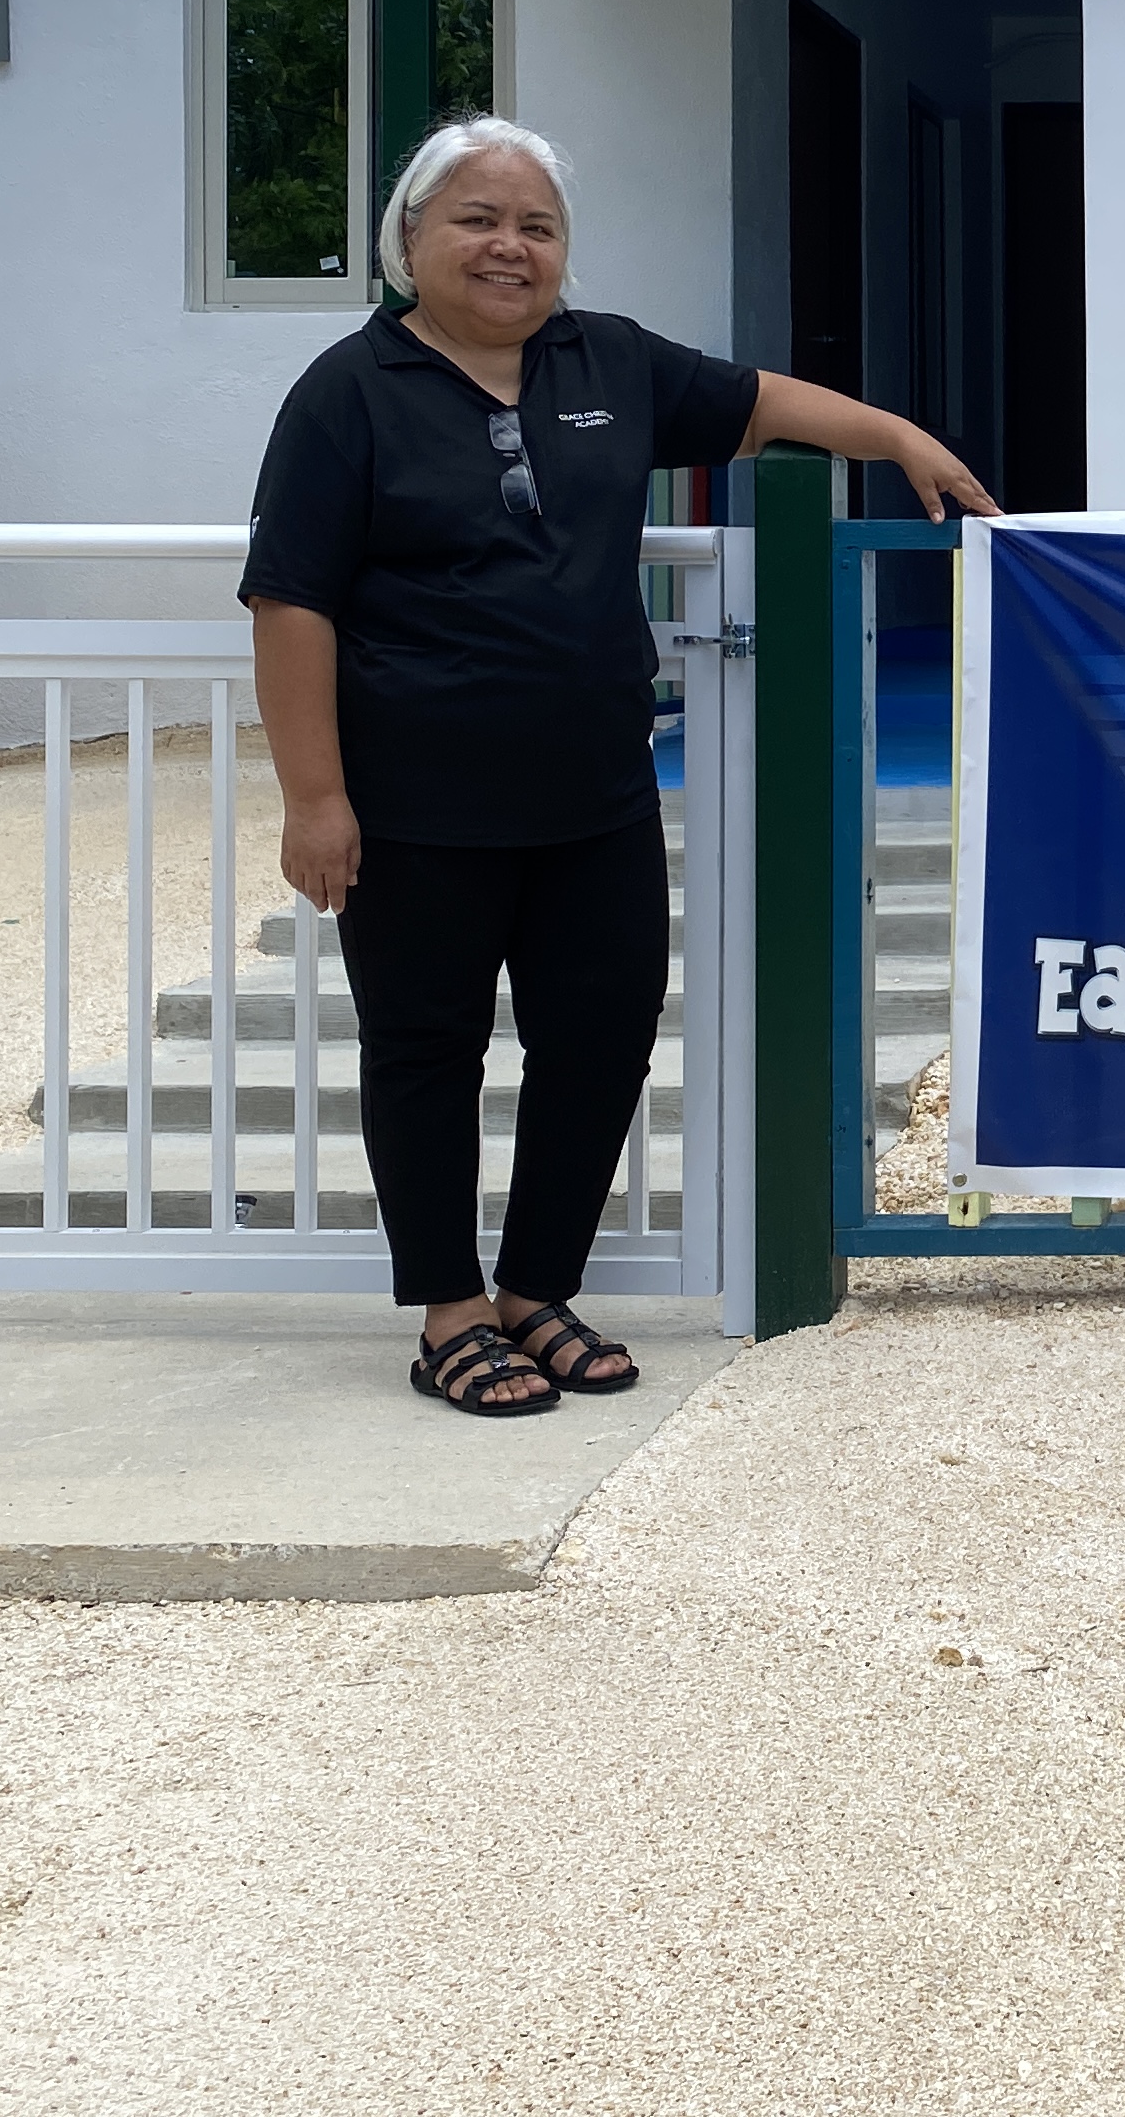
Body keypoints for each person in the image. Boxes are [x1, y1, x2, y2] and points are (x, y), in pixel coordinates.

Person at [243, 116, 999, 1417]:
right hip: (416, 806)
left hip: (594, 794)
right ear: (411, 238)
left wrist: (895, 437)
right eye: (477, 219)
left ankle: (536, 1290)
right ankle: (449, 1314)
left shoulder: (609, 364)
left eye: (536, 226)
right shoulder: (344, 395)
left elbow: (762, 404)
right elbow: (290, 601)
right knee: (424, 1052)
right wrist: (316, 797)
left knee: (596, 1043)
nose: (508, 246)